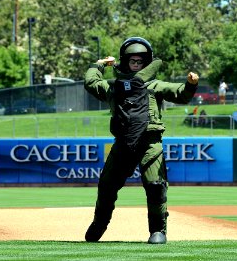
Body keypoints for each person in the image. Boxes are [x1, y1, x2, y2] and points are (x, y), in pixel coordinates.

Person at [84, 36, 198, 244]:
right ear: (125, 62)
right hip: (123, 142)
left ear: (146, 63)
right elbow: (91, 83)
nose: (136, 65)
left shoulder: (154, 85)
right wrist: (97, 66)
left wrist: (190, 84)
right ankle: (99, 225)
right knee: (107, 185)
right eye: (132, 61)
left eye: (140, 61)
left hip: (150, 142)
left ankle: (158, 231)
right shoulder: (114, 87)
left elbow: (180, 94)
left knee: (156, 185)